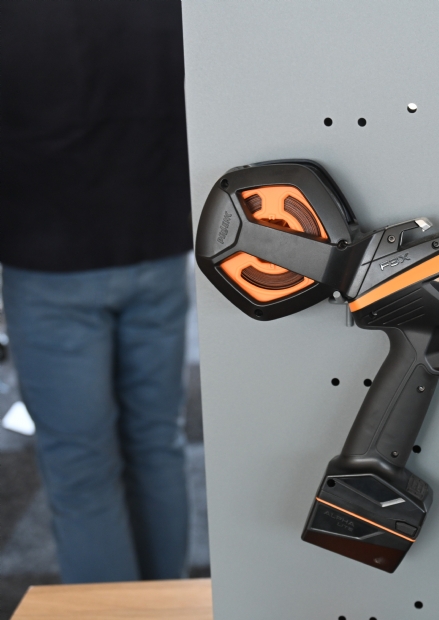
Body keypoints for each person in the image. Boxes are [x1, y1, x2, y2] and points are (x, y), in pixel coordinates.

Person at [0, 1, 192, 581]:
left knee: (82, 468)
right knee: (157, 445)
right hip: (159, 240)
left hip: (48, 258)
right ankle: (168, 611)